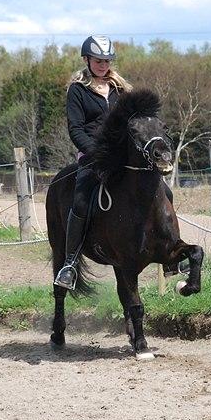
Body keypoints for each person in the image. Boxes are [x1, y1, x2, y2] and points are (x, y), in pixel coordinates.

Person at [54, 35, 133, 289]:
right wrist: (97, 152)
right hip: (93, 158)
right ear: (87, 59)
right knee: (80, 199)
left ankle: (168, 254)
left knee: (161, 190)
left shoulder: (120, 90)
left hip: (124, 157)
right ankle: (69, 263)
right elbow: (75, 129)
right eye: (98, 60)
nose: (103, 64)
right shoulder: (78, 90)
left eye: (107, 60)